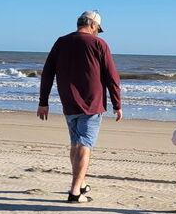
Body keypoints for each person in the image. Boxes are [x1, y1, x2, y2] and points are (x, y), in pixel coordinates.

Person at [37, 11, 122, 202]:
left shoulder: (61, 42)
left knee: (76, 143)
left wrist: (43, 102)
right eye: (98, 29)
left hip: (69, 103)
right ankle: (75, 192)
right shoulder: (98, 44)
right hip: (92, 104)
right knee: (84, 144)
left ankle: (81, 183)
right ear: (92, 25)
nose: (98, 33)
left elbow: (47, 73)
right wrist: (117, 104)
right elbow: (112, 76)